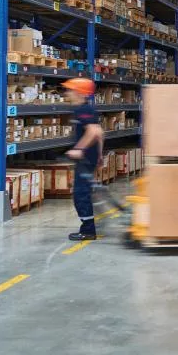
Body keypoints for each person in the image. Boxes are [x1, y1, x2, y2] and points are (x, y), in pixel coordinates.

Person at [62, 78, 104, 242]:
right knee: (84, 192)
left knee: (80, 194)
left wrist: (79, 149)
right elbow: (100, 133)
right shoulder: (87, 109)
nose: (67, 93)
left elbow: (93, 131)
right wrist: (99, 155)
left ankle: (88, 231)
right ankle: (88, 228)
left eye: (70, 90)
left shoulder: (83, 110)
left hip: (85, 159)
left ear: (79, 92)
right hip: (90, 157)